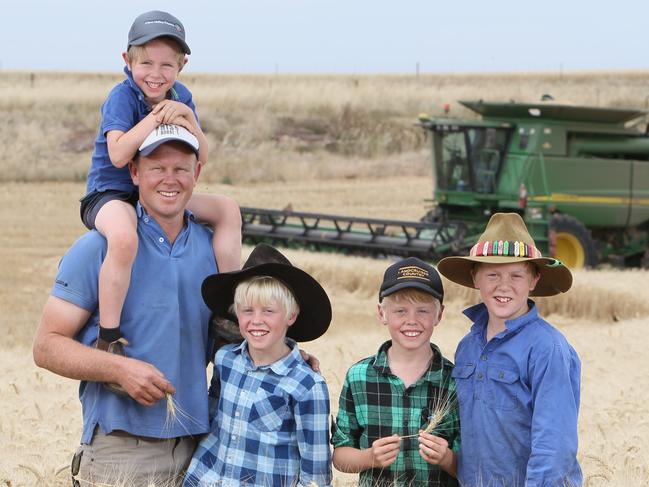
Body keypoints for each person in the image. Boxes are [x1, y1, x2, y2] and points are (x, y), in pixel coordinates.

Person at [33, 126, 218, 486]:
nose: (170, 179)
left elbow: (233, 334)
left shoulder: (212, 249)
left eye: (181, 169)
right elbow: (46, 346)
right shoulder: (98, 249)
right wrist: (119, 369)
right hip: (121, 452)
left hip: (201, 449)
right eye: (156, 168)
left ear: (196, 174)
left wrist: (283, 355)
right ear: (134, 173)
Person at [82, 10, 242, 356]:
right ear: (127, 60)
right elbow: (119, 154)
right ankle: (108, 335)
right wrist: (157, 116)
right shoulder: (121, 97)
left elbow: (202, 156)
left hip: (157, 192)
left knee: (227, 210)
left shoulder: (181, 96)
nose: (156, 75)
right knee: (123, 238)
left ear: (182, 65)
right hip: (111, 195)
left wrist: (186, 117)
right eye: (146, 64)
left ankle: (231, 307)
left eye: (166, 66)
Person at [436, 212, 582, 487]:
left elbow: (554, 443)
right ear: (475, 277)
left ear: (534, 280)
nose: (504, 286)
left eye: (516, 275)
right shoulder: (467, 347)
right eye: (492, 274)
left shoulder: (547, 348)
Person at [184, 243, 333, 487]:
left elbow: (315, 472)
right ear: (236, 313)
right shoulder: (226, 360)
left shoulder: (307, 385)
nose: (256, 321)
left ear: (291, 316)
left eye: (269, 311)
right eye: (247, 310)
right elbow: (212, 418)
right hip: (204, 479)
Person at [331, 257, 460, 486]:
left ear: (439, 315)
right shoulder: (359, 377)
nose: (412, 320)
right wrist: (369, 457)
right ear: (382, 314)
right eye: (400, 310)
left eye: (423, 311)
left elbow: (475, 465)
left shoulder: (455, 381)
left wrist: (447, 458)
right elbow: (340, 458)